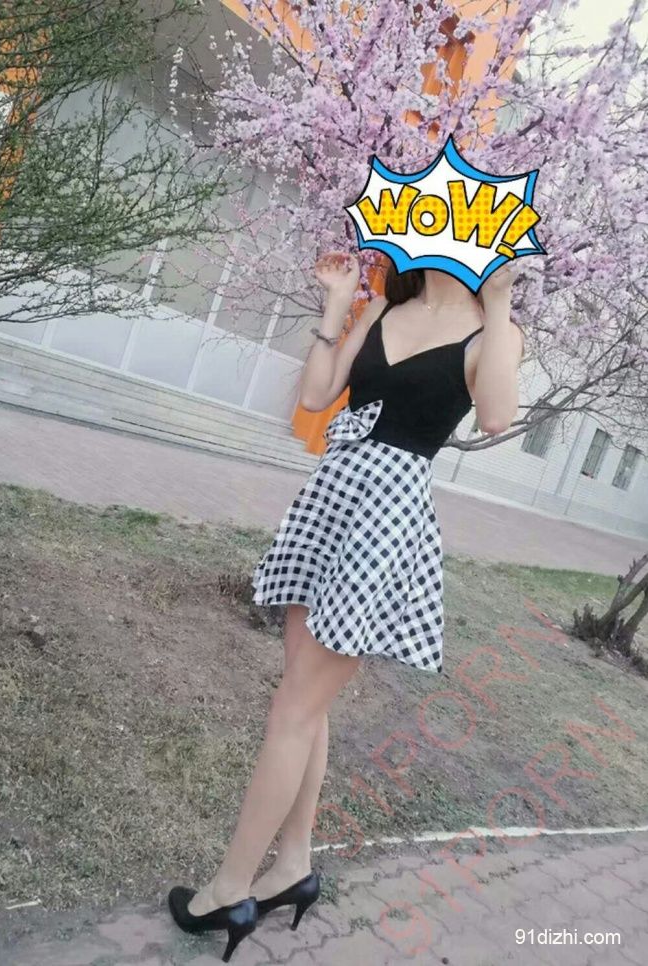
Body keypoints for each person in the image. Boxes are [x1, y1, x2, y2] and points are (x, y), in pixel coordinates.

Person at [167, 254, 525, 961]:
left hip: (385, 521)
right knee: (306, 704)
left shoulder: (493, 332)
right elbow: (317, 395)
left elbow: (496, 416)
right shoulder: (387, 307)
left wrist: (502, 302)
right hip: (333, 500)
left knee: (294, 710)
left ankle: (230, 890)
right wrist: (337, 304)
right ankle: (293, 865)